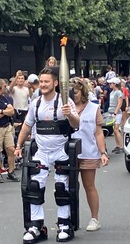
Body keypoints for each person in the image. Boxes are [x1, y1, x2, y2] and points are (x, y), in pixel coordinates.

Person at [15, 67, 79, 243]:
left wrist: (69, 115)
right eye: (41, 81)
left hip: (61, 150)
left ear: (56, 83)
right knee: (34, 187)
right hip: (41, 151)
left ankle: (64, 224)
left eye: (46, 81)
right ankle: (36, 226)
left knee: (62, 188)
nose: (42, 84)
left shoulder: (65, 102)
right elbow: (27, 126)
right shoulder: (35, 103)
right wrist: (18, 146)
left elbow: (76, 124)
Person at [70, 78, 108, 231]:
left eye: (76, 93)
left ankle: (94, 218)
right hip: (69, 152)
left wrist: (103, 152)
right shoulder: (65, 107)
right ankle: (69, 219)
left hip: (88, 152)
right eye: (70, 93)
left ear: (83, 92)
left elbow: (98, 133)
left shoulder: (93, 108)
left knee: (89, 185)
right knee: (68, 187)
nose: (73, 96)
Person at [107, 77, 123, 154]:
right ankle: (118, 146)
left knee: (116, 129)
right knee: (114, 130)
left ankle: (120, 146)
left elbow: (120, 103)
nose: (110, 84)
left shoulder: (118, 92)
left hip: (116, 113)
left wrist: (115, 112)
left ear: (115, 84)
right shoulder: (112, 92)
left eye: (111, 83)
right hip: (111, 112)